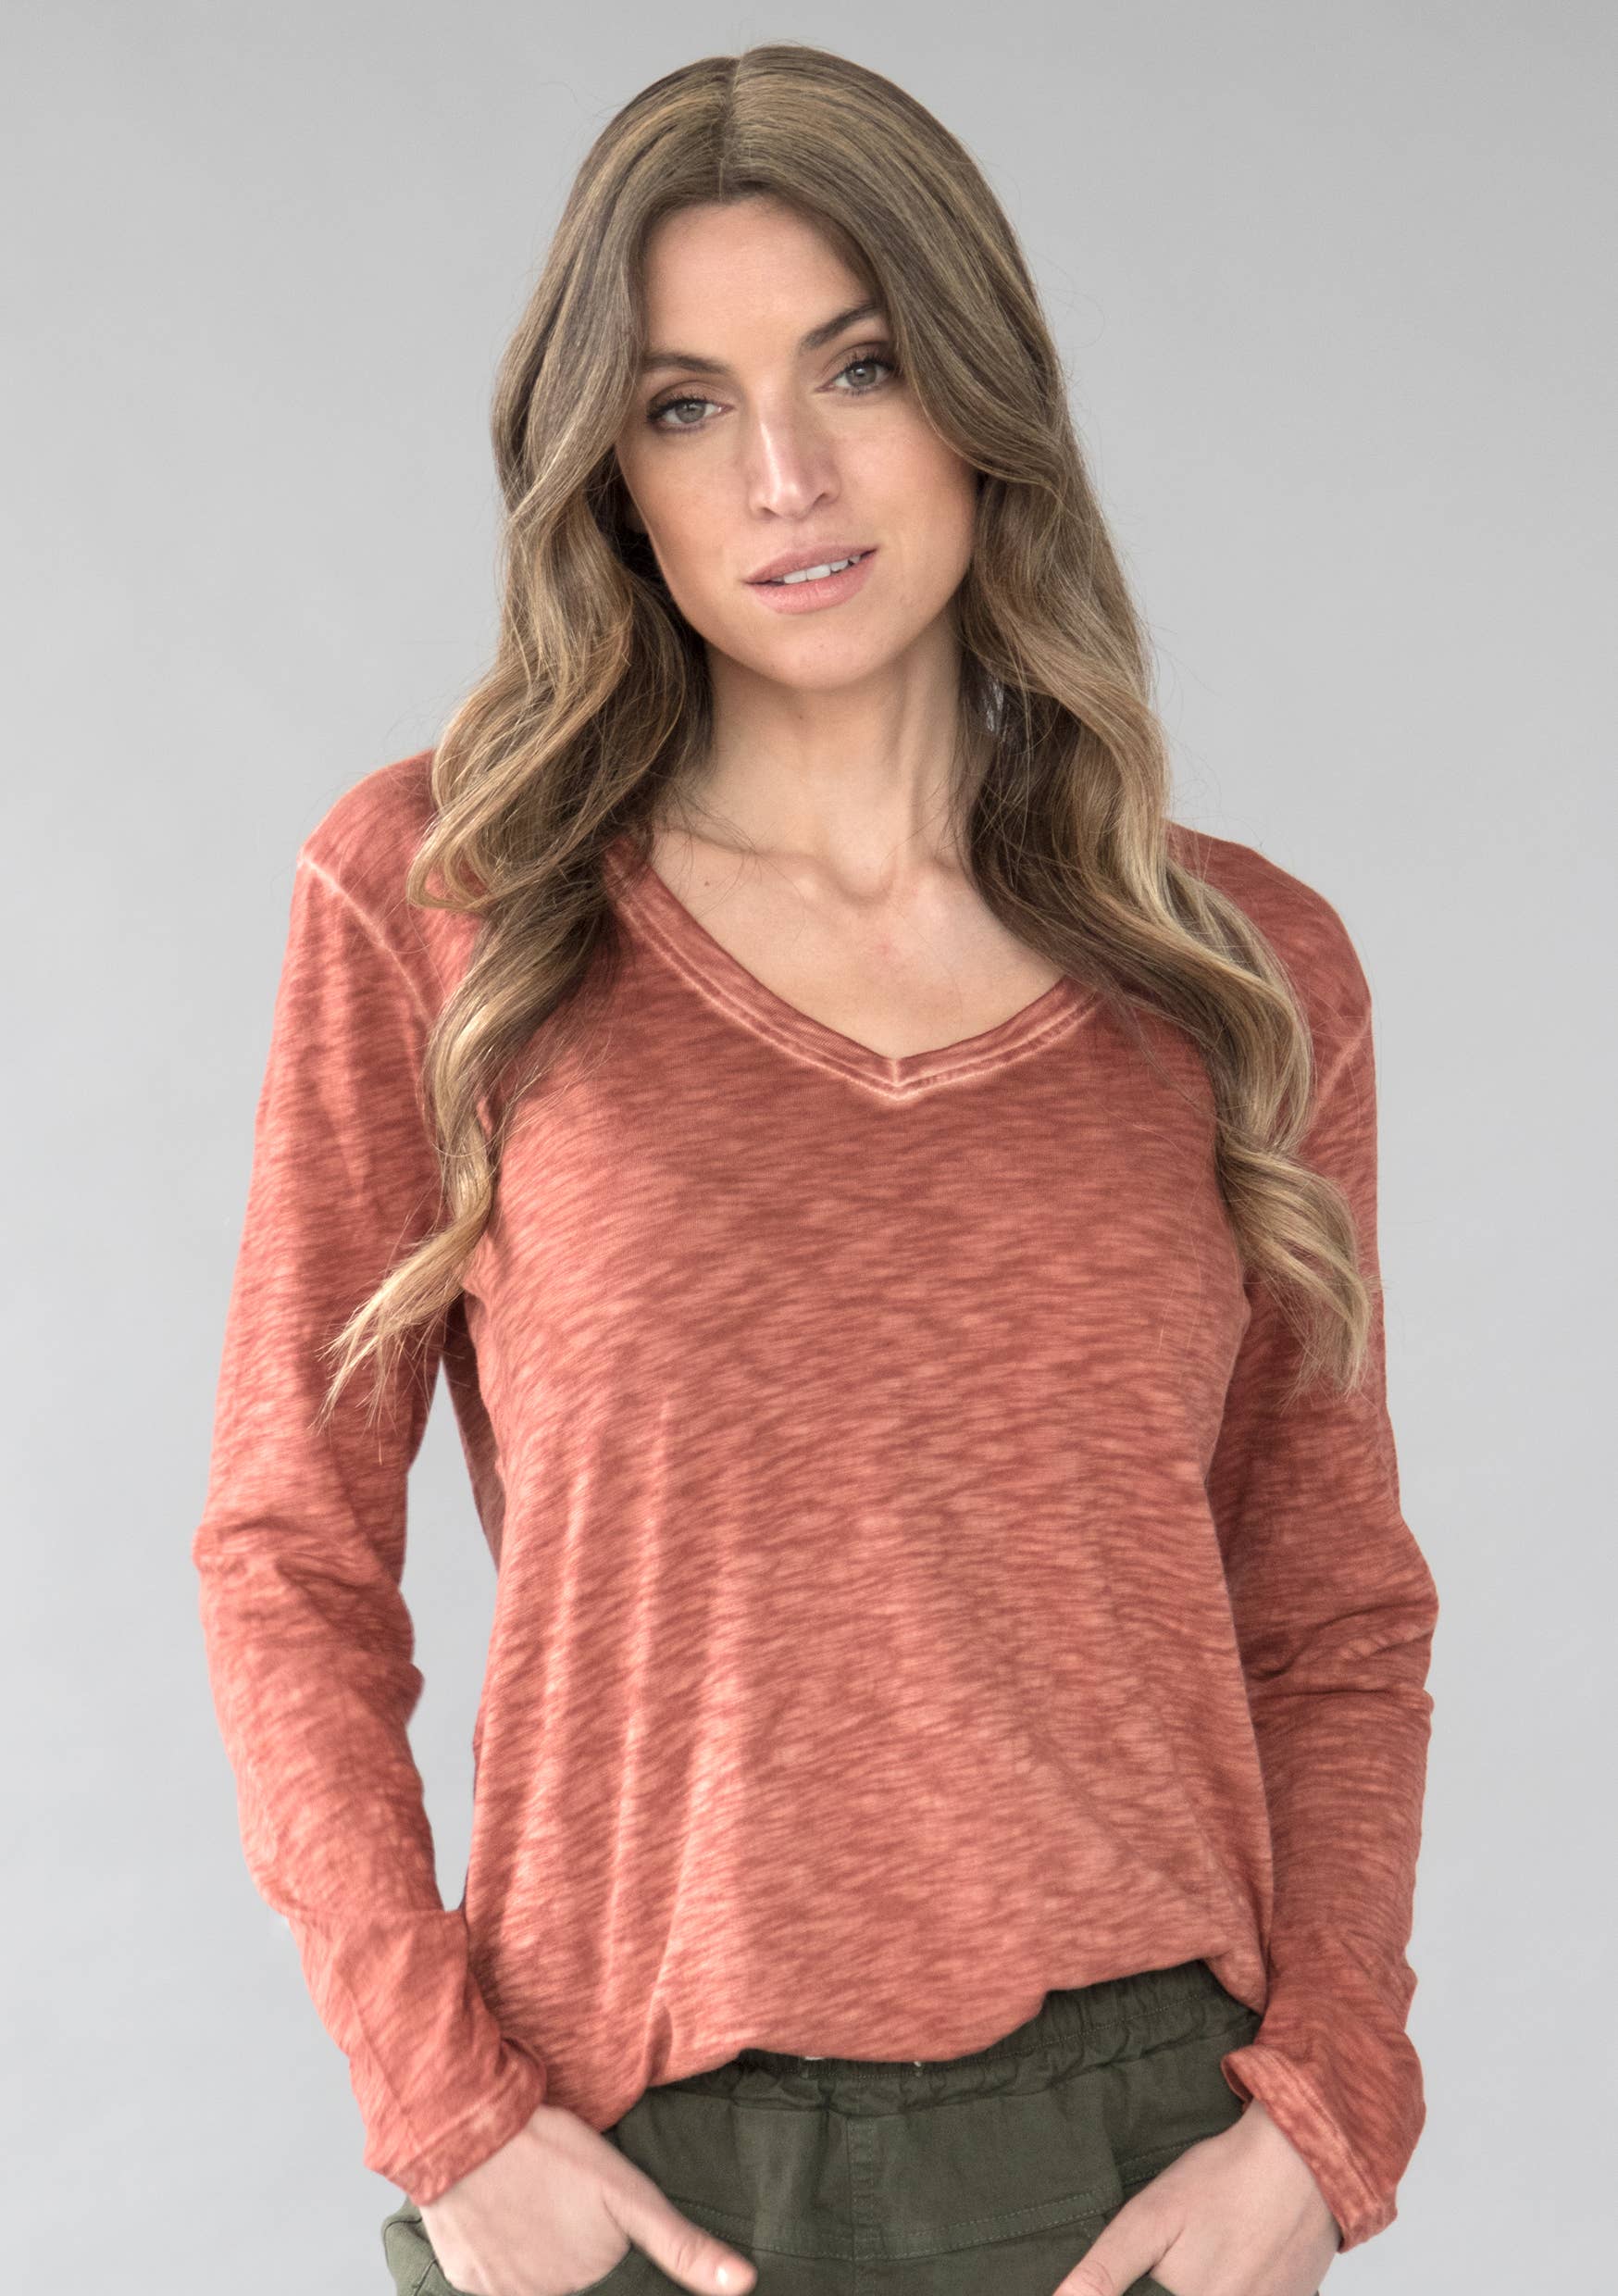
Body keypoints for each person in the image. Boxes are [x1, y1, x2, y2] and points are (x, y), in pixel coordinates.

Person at [191, 41, 1439, 2296]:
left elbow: (1331, 1606)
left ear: (978, 393)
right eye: (687, 406)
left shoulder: (1240, 975)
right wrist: (445, 2111)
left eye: (856, 367)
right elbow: (288, 1557)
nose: (786, 476)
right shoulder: (446, 906)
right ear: (611, 473)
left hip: (1133, 2162)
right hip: (640, 2169)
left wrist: (1323, 2115)